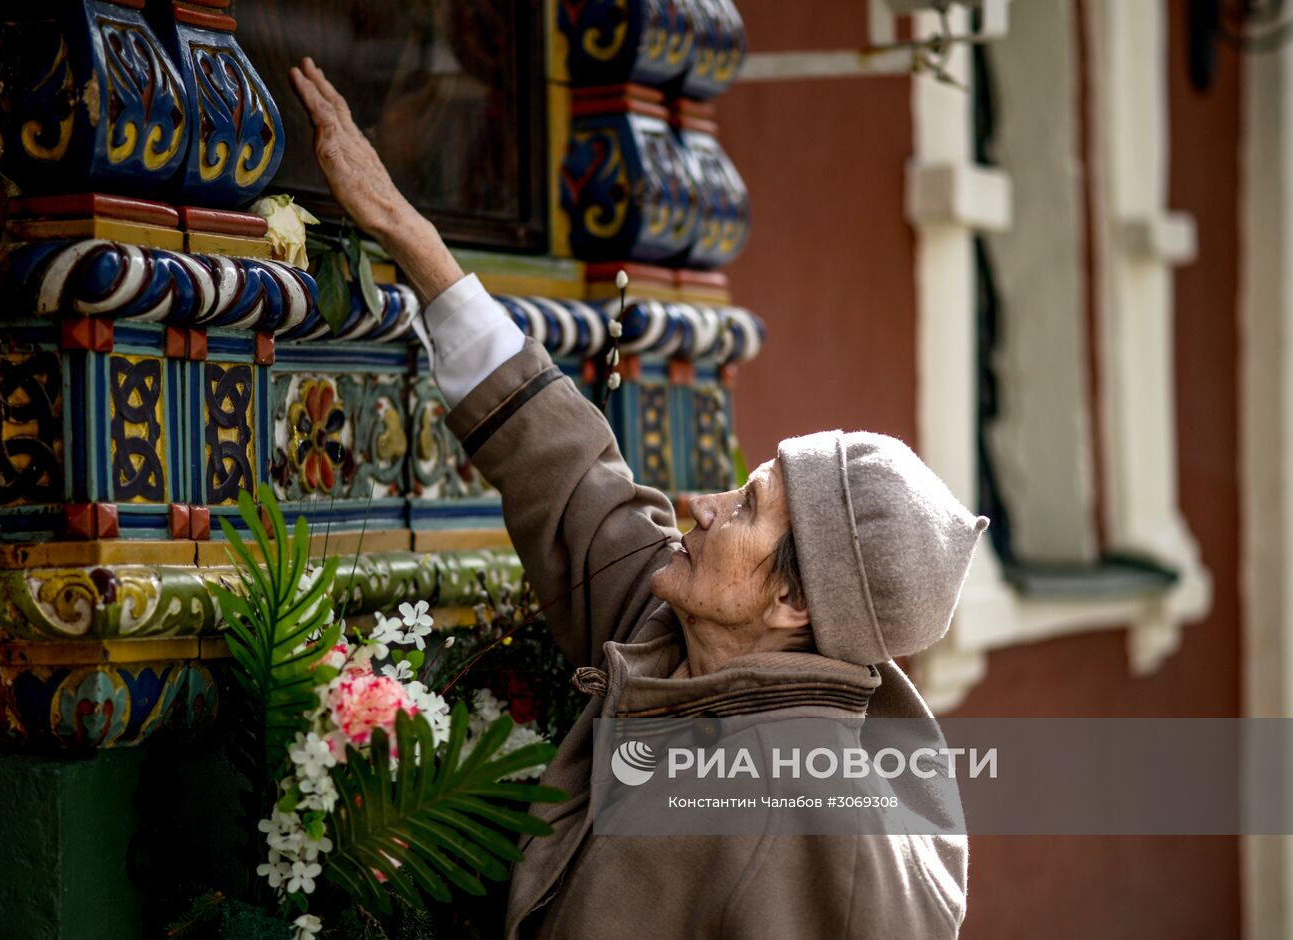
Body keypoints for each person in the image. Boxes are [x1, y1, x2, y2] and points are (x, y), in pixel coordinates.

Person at [289, 58, 988, 939]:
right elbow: (572, 474)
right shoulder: (687, 640)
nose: (702, 505)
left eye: (746, 509)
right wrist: (402, 226)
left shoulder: (821, 818)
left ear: (792, 601)